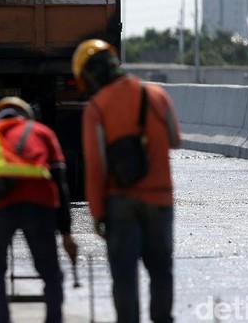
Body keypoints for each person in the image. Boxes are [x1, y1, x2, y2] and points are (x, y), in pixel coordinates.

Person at [72, 39, 181, 323]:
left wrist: (97, 213)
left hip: (121, 203)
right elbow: (175, 140)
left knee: (124, 276)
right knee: (161, 270)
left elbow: (96, 168)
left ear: (90, 77)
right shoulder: (157, 96)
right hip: (160, 199)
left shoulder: (96, 109)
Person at [0, 96, 78, 323]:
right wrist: (66, 233)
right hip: (39, 206)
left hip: (1, 208)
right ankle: (54, 318)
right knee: (50, 272)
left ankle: (1, 318)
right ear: (27, 116)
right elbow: (60, 185)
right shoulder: (43, 133)